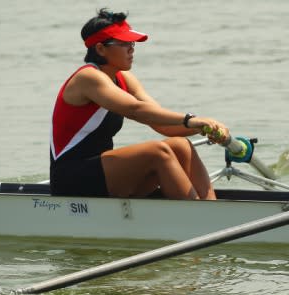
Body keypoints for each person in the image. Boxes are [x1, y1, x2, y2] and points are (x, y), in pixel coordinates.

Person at [50, 9, 229, 200]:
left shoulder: (123, 78)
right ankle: (197, 217)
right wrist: (191, 120)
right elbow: (136, 110)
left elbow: (161, 122)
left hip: (102, 173)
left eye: (132, 43)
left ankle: (210, 207)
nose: (131, 48)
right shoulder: (87, 78)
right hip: (71, 179)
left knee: (181, 145)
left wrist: (206, 128)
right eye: (124, 43)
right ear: (101, 49)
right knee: (157, 152)